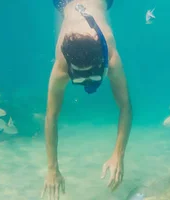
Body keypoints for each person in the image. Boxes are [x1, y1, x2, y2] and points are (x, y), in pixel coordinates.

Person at [41, 0, 132, 199]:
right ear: (70, 66)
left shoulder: (110, 57)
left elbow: (125, 107)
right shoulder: (62, 66)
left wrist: (119, 154)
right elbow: (51, 117)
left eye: (90, 73)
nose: (85, 80)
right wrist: (52, 169)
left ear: (100, 63)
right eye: (79, 75)